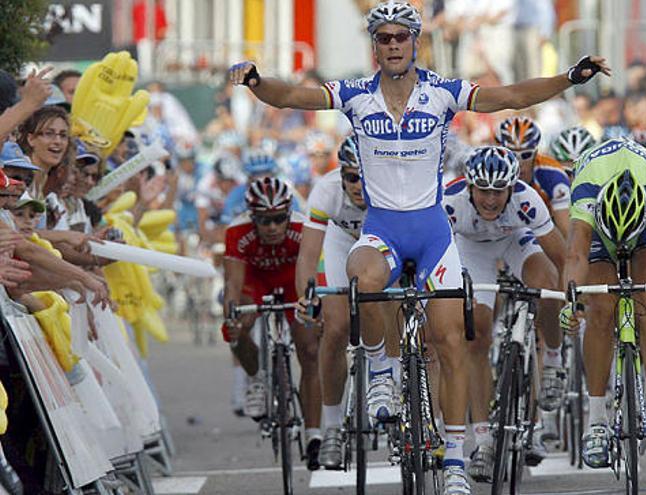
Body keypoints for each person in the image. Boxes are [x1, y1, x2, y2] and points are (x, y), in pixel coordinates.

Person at [228, 2, 609, 489]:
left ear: (414, 42)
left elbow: (510, 94)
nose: (392, 45)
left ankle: (453, 461)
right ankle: (382, 369)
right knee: (360, 274)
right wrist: (258, 81)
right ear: (374, 45)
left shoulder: (442, 93)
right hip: (383, 228)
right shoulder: (354, 94)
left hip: (432, 234)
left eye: (399, 37)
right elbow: (293, 97)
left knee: (452, 343)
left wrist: (570, 78)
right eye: (383, 38)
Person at [559, 138, 646, 469]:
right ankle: (596, 422)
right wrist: (571, 302)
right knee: (600, 308)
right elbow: (576, 255)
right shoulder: (586, 189)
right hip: (600, 233)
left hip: (641, 230)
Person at [442, 146, 566, 480]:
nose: (491, 199)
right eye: (483, 190)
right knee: (477, 335)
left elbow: (560, 255)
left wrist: (575, 297)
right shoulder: (449, 202)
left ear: (512, 187)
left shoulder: (526, 199)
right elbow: (435, 256)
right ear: (470, 186)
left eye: (499, 191)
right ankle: (483, 441)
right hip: (471, 250)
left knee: (549, 284)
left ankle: (552, 358)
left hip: (516, 240)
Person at [222, 177, 323, 470]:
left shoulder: (303, 227)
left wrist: (316, 310)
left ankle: (314, 435)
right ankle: (255, 379)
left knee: (309, 348)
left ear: (288, 214)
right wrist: (232, 317)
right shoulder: (237, 231)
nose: (273, 227)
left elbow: (316, 277)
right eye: (264, 221)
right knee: (236, 325)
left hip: (294, 282)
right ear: (252, 218)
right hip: (254, 282)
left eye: (279, 219)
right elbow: (233, 284)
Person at [293, 136, 368, 469]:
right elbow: (308, 254)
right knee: (336, 328)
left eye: (364, 176)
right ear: (342, 175)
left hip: (381, 237)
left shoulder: (393, 187)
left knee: (391, 306)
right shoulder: (326, 190)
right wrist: (305, 298)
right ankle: (333, 426)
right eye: (351, 176)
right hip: (340, 240)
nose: (358, 184)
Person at [495, 116, 572, 237]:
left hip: (545, 230)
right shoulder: (489, 171)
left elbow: (567, 231)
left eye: (526, 154)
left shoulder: (552, 174)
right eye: (512, 155)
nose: (519, 162)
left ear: (536, 153)